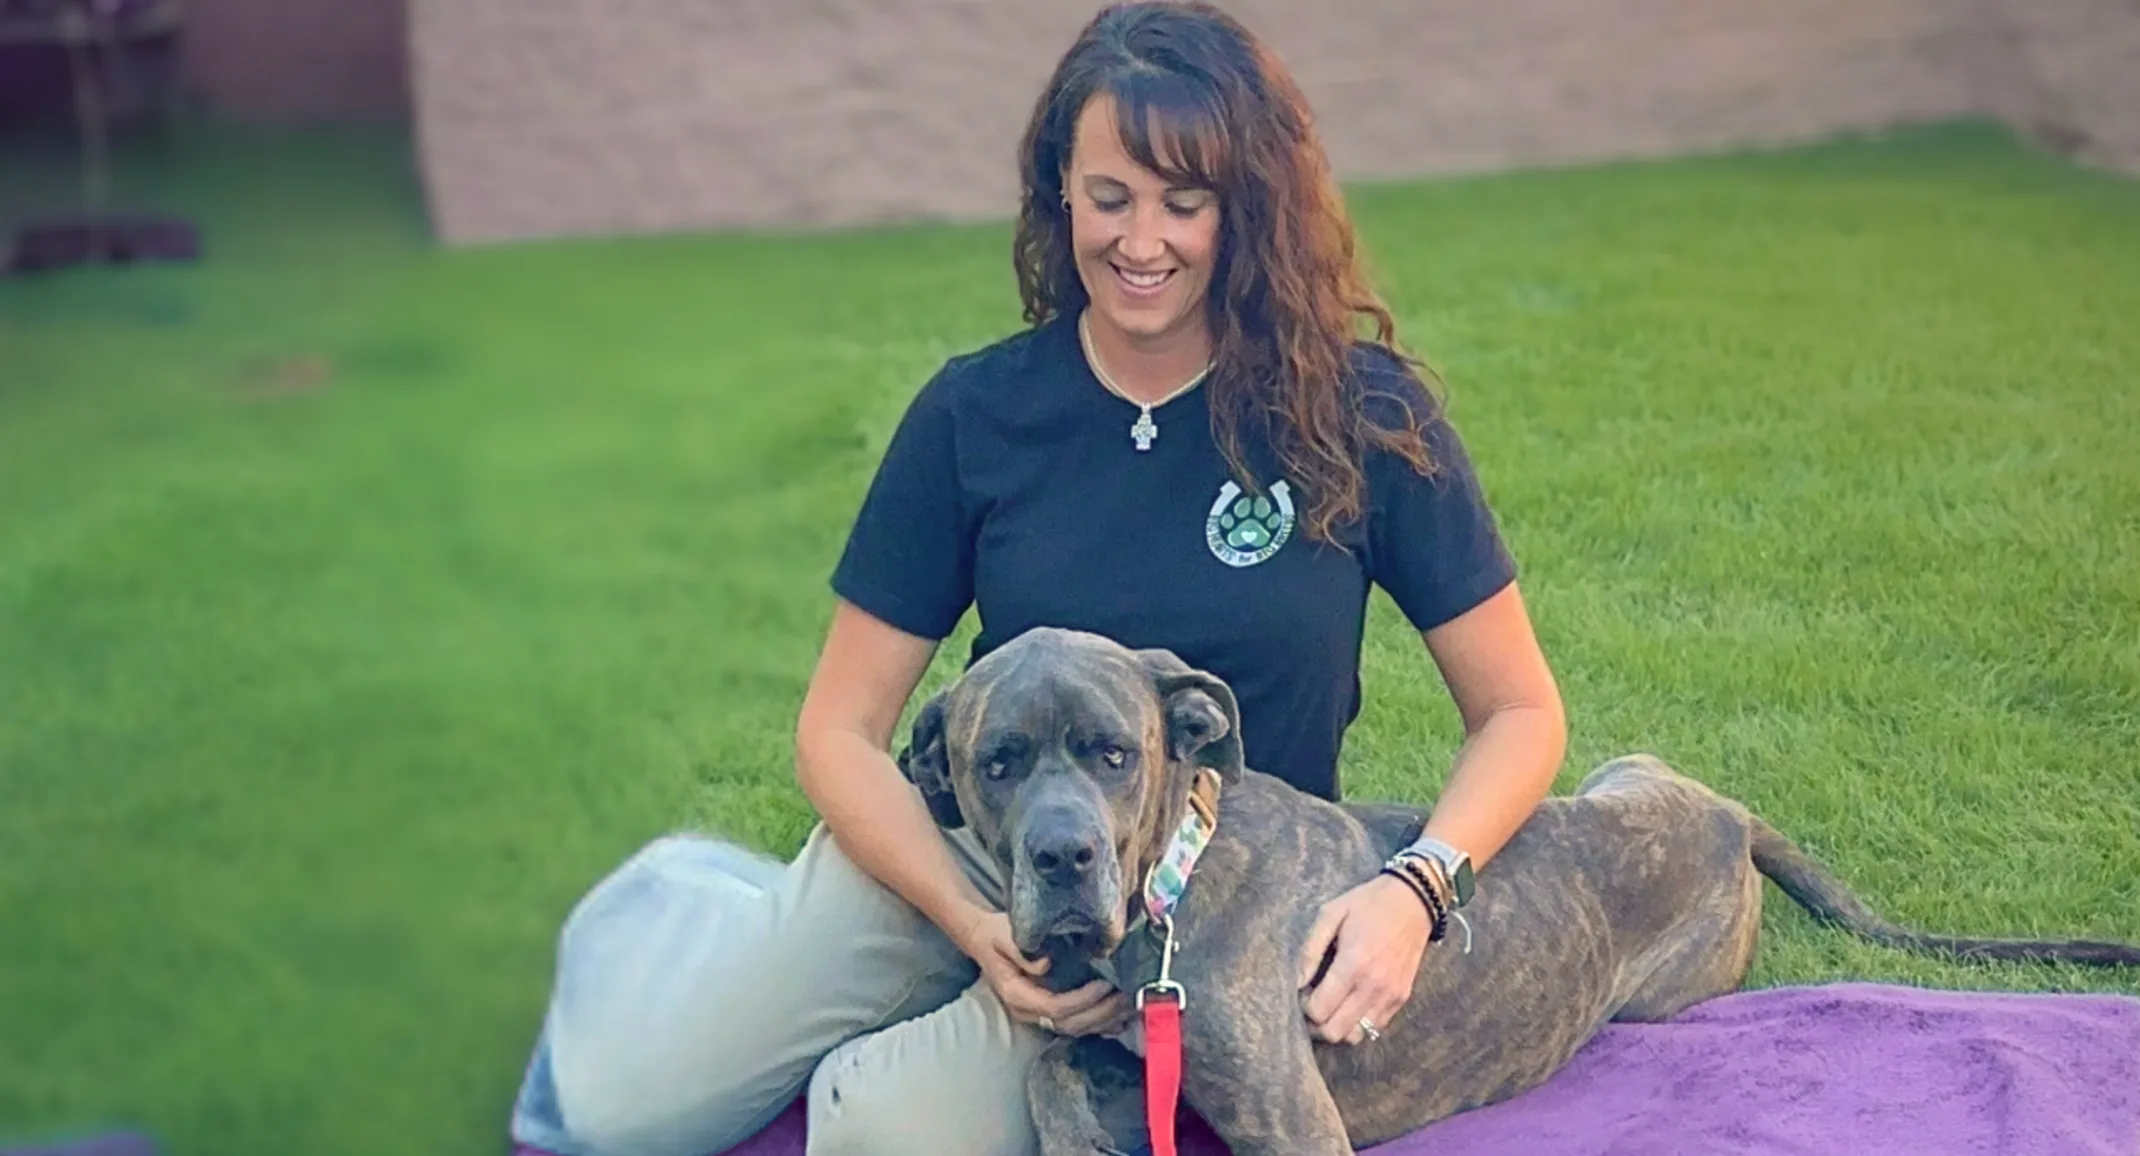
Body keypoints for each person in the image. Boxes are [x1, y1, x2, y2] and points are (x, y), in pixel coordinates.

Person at [507, 4, 1567, 1155]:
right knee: (615, 1113)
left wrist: (1415, 890)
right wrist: (971, 924)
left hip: (1184, 898)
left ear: (1246, 207)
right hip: (969, 847)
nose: (1142, 240)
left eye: (1184, 200)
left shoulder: (1359, 414)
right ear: (1059, 190)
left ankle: (840, 1004)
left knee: (875, 1125)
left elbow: (1518, 711)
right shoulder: (977, 414)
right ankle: (699, 905)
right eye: (1109, 196)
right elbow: (838, 731)